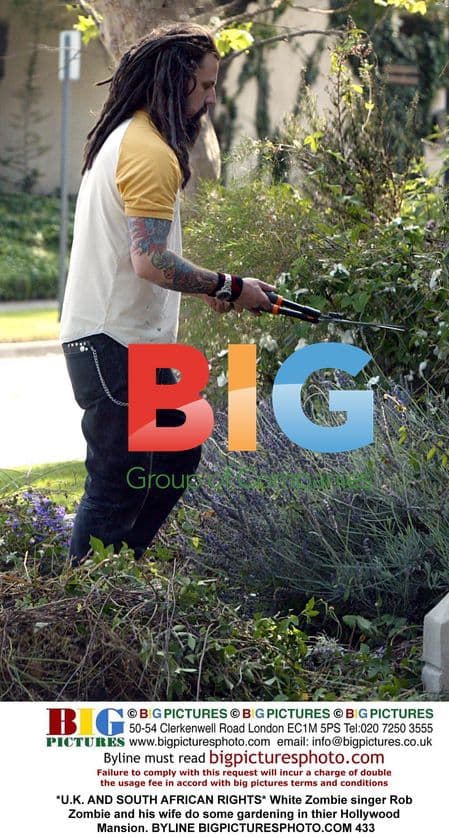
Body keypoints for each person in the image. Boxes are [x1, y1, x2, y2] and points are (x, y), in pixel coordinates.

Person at [60, 22, 274, 564]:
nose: (210, 98)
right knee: (116, 487)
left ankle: (119, 576)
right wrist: (230, 286)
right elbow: (151, 260)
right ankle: (86, 606)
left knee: (177, 452)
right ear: (174, 81)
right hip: (115, 345)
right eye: (204, 85)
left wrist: (206, 289)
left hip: (129, 345)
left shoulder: (133, 139)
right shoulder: (147, 150)